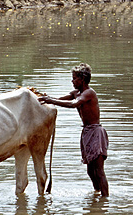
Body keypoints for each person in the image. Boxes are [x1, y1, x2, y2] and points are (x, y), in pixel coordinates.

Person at [39, 63, 109, 197]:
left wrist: (50, 100)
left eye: (74, 78)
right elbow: (59, 99)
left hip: (96, 133)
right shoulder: (77, 93)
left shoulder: (89, 93)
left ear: (82, 80)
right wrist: (46, 98)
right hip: (87, 133)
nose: (72, 81)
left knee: (99, 171)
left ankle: (105, 200)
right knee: (90, 170)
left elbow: (74, 104)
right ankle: (97, 193)